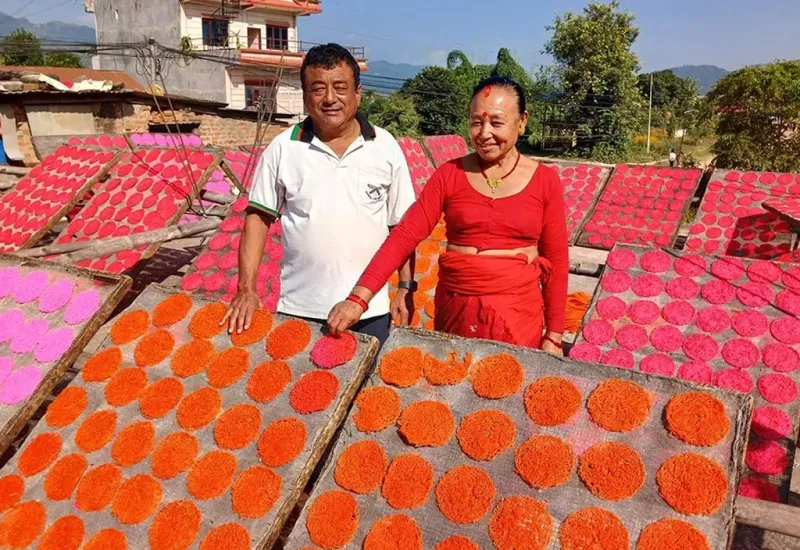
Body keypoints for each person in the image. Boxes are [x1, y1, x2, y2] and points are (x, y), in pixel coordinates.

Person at [327, 76, 569, 354]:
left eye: (496, 123)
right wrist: (359, 298)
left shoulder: (545, 181)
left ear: (522, 121)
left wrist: (554, 335)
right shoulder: (449, 174)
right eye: (476, 122)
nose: (484, 133)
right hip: (456, 311)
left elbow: (556, 260)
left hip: (517, 316)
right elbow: (405, 234)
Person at [221, 44, 417, 346]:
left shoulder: (385, 146)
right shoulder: (283, 148)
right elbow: (258, 219)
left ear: (358, 93)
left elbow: (402, 227)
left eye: (340, 87)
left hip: (371, 309)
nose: (330, 98)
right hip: (300, 309)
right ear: (305, 96)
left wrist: (405, 286)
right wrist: (246, 289)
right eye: (318, 88)